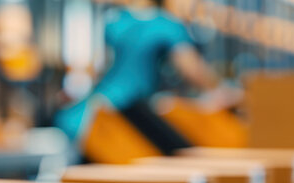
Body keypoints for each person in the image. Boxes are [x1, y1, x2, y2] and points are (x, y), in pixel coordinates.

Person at [55, 0, 241, 155]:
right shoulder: (165, 24)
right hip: (131, 109)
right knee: (179, 154)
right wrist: (220, 89)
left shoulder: (114, 21)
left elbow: (97, 68)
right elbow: (191, 70)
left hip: (94, 108)